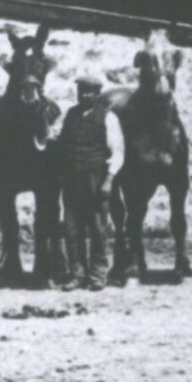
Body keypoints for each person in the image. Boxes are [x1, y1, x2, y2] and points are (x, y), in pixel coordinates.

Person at [52, 75, 119, 291]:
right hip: (71, 179)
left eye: (90, 91)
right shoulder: (70, 114)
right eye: (82, 91)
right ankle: (77, 274)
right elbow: (58, 139)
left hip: (95, 179)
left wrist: (108, 180)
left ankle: (98, 275)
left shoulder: (108, 118)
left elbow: (117, 153)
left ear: (98, 94)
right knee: (72, 229)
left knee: (98, 229)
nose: (85, 95)